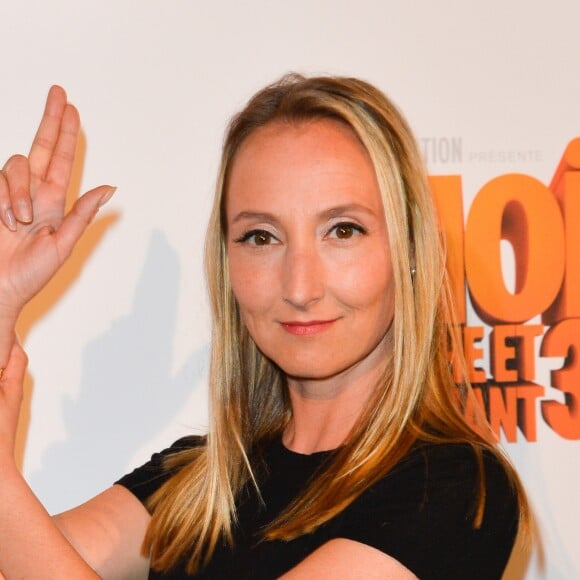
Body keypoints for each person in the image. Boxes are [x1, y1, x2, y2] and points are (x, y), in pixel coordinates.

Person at [0, 75, 528, 579]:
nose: (300, 287)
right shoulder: (196, 481)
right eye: (261, 237)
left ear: (410, 252)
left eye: (342, 230)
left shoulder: (456, 487)